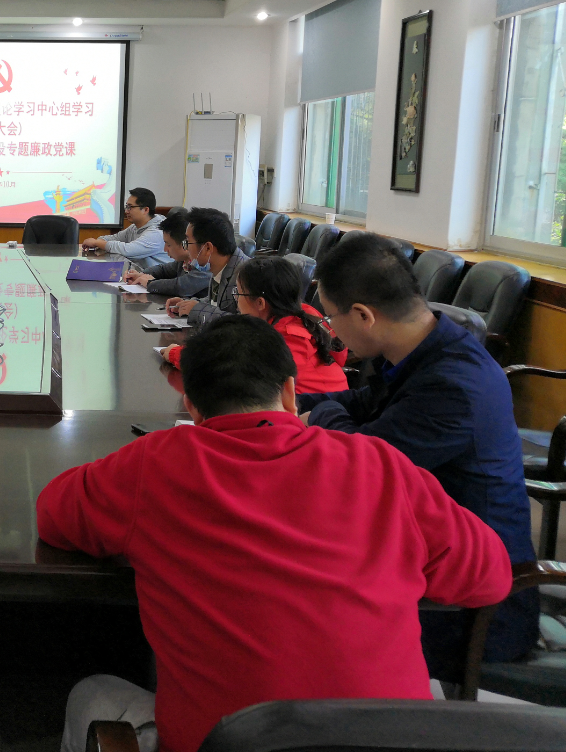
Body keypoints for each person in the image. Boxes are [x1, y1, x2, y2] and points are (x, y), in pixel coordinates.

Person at [38, 316, 512, 752]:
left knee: (90, 692)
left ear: (192, 406)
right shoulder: (380, 464)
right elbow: (489, 577)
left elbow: (53, 516)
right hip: (389, 738)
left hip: (230, 741)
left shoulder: (154, 463)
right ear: (290, 392)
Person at [298, 233, 538, 684]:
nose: (330, 330)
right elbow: (364, 403)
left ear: (363, 315)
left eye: (330, 317)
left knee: (287, 609)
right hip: (421, 553)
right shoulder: (427, 345)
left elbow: (364, 464)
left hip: (472, 605)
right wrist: (282, 401)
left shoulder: (454, 385)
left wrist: (319, 414)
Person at [160, 256, 348, 394]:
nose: (236, 300)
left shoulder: (287, 339)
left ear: (260, 303)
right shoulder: (301, 314)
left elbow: (224, 371)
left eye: (238, 293)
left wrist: (177, 354)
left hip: (318, 419)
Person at [165, 207, 248, 325]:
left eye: (187, 242)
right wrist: (188, 304)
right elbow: (215, 303)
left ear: (207, 248)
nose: (186, 248)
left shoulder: (246, 277)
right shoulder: (219, 267)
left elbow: (243, 323)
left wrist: (197, 310)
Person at [120, 210, 212, 298]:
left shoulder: (205, 265)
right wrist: (141, 275)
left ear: (185, 243)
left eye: (168, 245)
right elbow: (163, 270)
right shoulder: (184, 262)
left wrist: (150, 283)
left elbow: (182, 286)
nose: (165, 249)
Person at [80, 188, 169, 268]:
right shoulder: (135, 227)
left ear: (145, 210)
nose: (126, 211)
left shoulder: (157, 232)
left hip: (156, 278)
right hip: (138, 274)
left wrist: (96, 242)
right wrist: (99, 241)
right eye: (126, 207)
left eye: (130, 207)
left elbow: (128, 250)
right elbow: (114, 238)